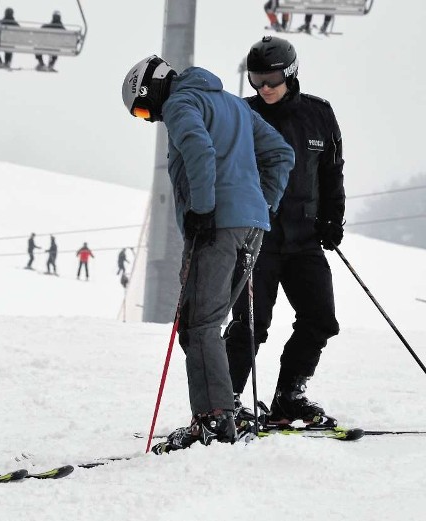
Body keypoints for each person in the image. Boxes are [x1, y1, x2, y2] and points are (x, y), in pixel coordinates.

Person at [121, 55, 293, 451]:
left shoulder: (181, 104)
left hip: (217, 227)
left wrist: (204, 208)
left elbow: (197, 150)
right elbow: (282, 154)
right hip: (252, 228)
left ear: (153, 88)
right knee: (207, 323)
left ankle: (214, 422)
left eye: (145, 109)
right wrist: (259, 205)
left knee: (199, 325)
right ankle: (220, 414)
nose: (151, 120)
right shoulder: (233, 103)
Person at [225, 36, 345, 429]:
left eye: (271, 80)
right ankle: (226, 403)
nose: (264, 89)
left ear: (290, 73)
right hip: (257, 240)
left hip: (306, 239)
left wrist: (332, 219)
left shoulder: (319, 115)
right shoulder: (241, 115)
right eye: (256, 81)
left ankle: (289, 396)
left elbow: (331, 174)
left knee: (320, 318)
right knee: (250, 324)